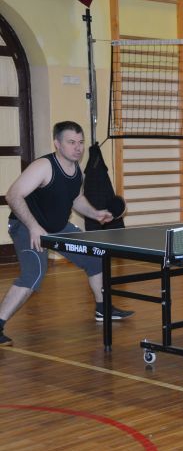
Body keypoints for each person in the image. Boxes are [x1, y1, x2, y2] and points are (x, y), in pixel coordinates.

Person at [0, 121, 134, 347]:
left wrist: (96, 213)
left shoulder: (76, 170)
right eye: (71, 142)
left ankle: (103, 308)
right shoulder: (44, 166)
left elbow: (76, 199)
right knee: (34, 273)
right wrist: (34, 226)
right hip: (25, 226)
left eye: (80, 142)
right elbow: (13, 195)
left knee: (95, 256)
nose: (78, 148)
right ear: (57, 143)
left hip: (58, 227)